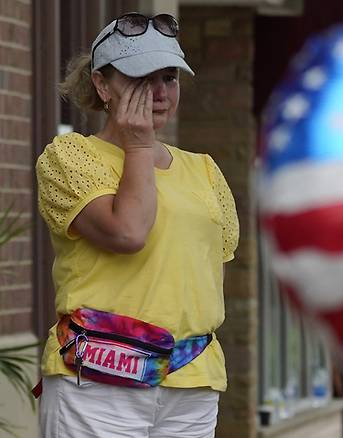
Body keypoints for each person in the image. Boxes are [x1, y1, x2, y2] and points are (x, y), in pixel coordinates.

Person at [35, 12, 239, 437]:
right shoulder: (69, 156)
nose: (158, 92)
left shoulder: (204, 170)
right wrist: (140, 145)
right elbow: (128, 233)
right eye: (140, 77)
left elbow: (209, 275)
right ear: (102, 84)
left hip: (191, 380)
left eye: (169, 77)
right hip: (97, 380)